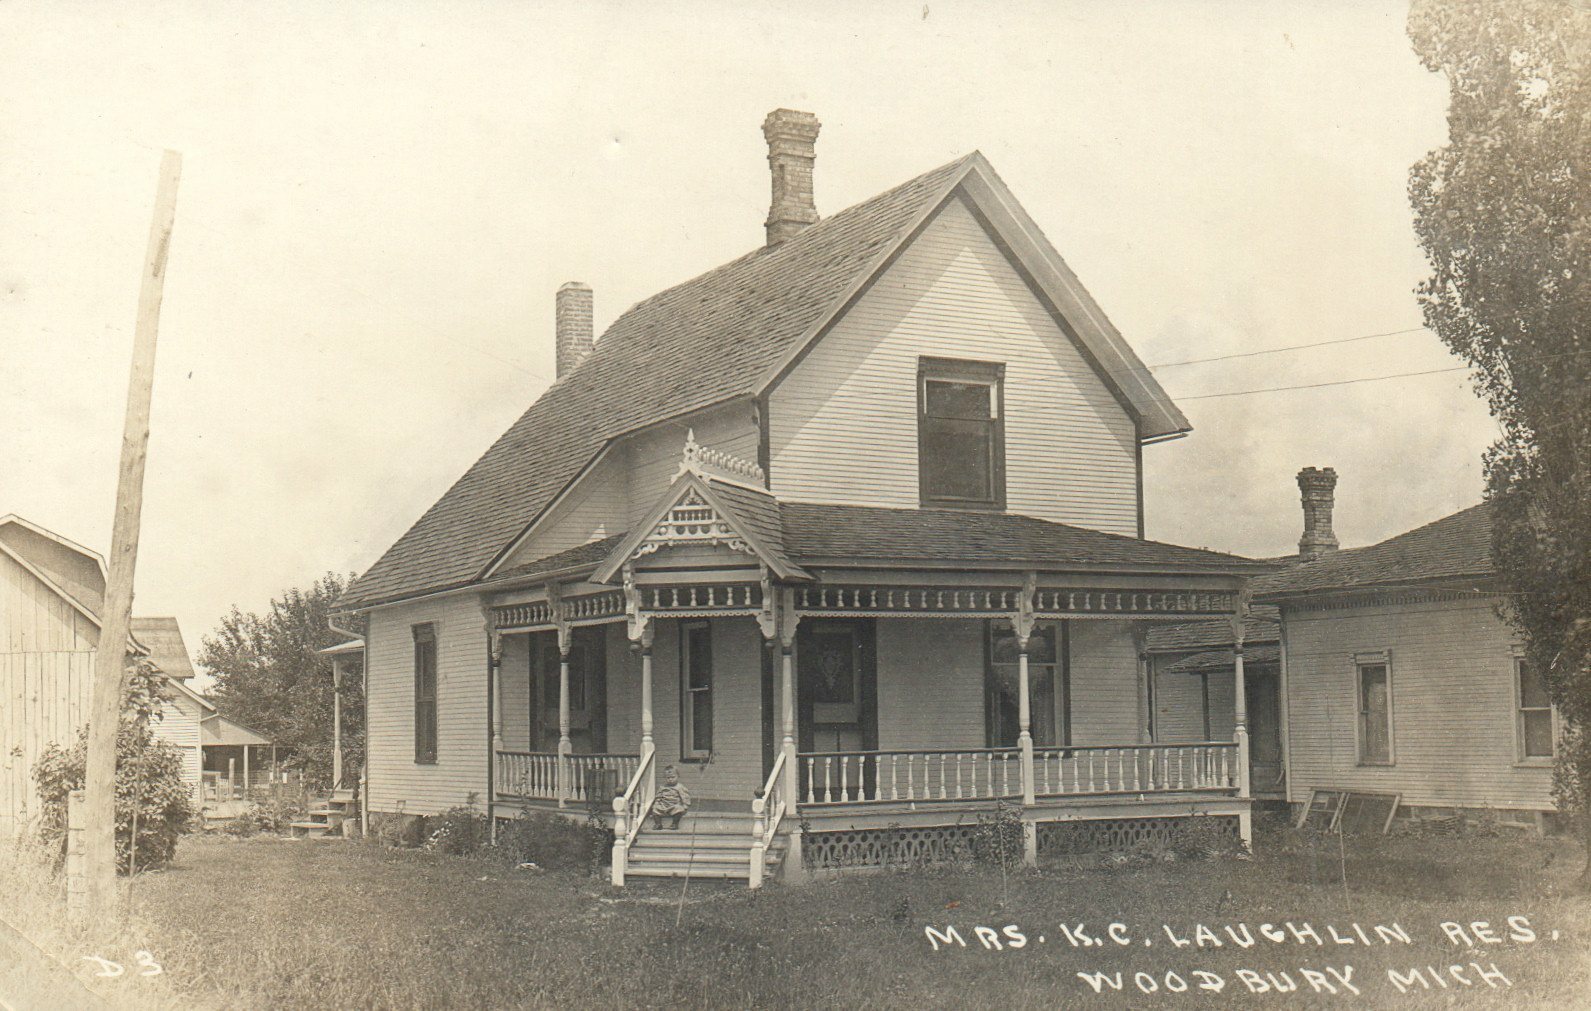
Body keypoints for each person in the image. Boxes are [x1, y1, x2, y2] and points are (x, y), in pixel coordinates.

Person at [651, 765, 691, 829]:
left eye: (673, 777)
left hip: (674, 805)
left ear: (678, 776)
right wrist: (657, 802)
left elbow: (685, 797)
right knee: (655, 809)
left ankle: (675, 824)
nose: (670, 779)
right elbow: (658, 796)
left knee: (679, 809)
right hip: (664, 805)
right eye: (668, 778)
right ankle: (658, 824)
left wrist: (685, 805)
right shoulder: (662, 787)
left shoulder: (679, 787)